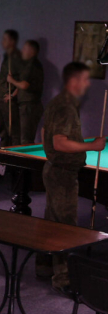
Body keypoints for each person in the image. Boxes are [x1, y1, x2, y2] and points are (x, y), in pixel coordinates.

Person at [41, 62, 106, 293]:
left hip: (54, 170)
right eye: (85, 79)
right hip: (63, 174)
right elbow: (60, 143)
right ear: (74, 81)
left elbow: (45, 133)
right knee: (65, 227)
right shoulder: (66, 106)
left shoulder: (58, 102)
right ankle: (64, 279)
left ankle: (44, 265)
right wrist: (92, 146)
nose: (87, 84)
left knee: (52, 221)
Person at [7, 40, 44, 144]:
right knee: (23, 138)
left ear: (31, 51)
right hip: (29, 106)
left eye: (24, 49)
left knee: (26, 140)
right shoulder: (30, 64)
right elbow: (22, 85)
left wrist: (11, 80)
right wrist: (12, 95)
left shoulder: (32, 65)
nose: (22, 51)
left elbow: (24, 85)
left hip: (29, 106)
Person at [0, 29, 23, 148]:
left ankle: (13, 157)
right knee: (3, 132)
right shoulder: (7, 56)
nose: (2, 42)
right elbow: (3, 78)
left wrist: (13, 95)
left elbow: (24, 80)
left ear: (13, 41)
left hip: (9, 99)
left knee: (13, 132)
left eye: (5, 39)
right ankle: (2, 156)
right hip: (1, 96)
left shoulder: (18, 58)